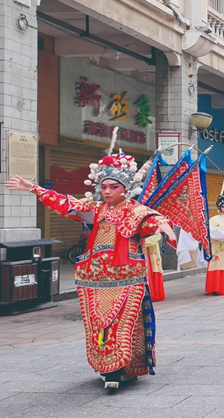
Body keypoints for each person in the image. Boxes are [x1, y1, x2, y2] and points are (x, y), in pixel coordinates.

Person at [5, 153, 176, 390]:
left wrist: (164, 225)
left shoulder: (136, 211)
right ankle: (108, 367)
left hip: (126, 279)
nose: (107, 191)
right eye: (103, 186)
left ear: (125, 189)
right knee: (98, 324)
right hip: (93, 280)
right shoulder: (94, 208)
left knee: (121, 324)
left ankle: (120, 368)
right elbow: (64, 203)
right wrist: (32, 188)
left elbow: (153, 219)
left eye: (113, 187)